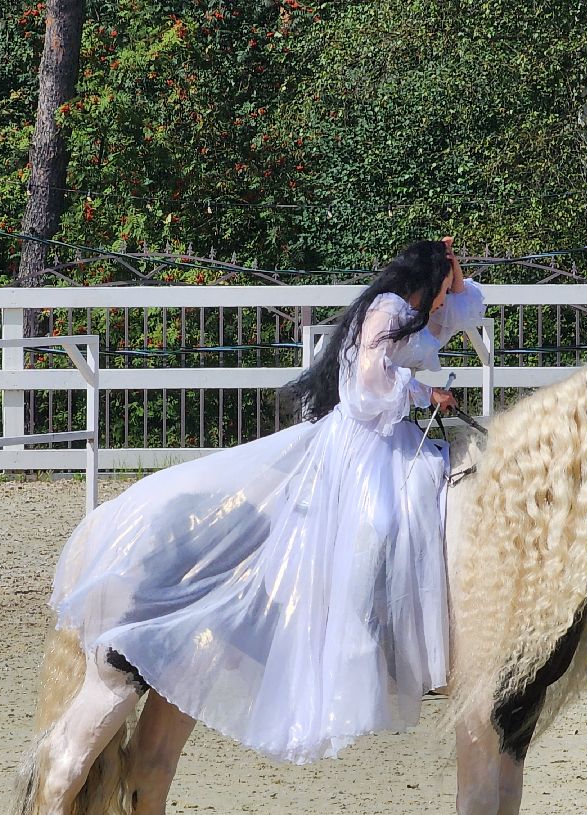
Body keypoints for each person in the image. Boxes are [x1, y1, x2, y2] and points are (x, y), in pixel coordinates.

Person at [50, 238, 487, 762]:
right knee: (385, 521)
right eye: (440, 290)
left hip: (386, 436)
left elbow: (468, 305)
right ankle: (362, 627)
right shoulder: (389, 310)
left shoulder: (415, 312)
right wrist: (423, 393)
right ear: (425, 283)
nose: (445, 301)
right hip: (364, 442)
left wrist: (453, 270)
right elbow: (369, 381)